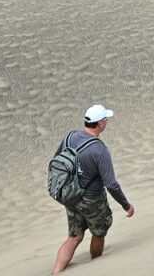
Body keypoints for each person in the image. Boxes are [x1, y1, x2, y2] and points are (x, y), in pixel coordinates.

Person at [53, 105, 135, 274]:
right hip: (93, 200)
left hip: (71, 196)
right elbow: (111, 184)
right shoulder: (100, 150)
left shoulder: (69, 137)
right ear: (100, 124)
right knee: (99, 232)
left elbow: (57, 160)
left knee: (74, 237)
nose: (106, 122)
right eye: (105, 119)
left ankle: (57, 272)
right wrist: (126, 205)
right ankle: (96, 267)